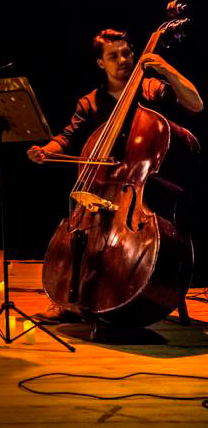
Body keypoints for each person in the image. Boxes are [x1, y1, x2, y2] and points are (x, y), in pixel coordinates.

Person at [27, 29, 202, 322]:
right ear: (100, 63)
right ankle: (67, 299)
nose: (123, 60)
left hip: (139, 193)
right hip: (98, 190)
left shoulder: (151, 90)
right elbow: (68, 137)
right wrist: (47, 150)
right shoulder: (90, 102)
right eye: (113, 56)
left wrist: (164, 67)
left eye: (126, 53)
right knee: (81, 231)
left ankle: (134, 293)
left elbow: (196, 103)